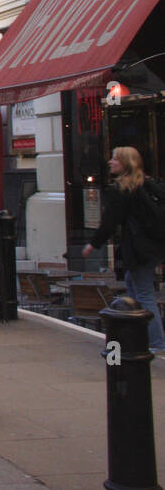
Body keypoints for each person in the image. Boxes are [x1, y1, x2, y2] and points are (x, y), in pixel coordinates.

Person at [83, 146, 165, 352]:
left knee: (144, 293)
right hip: (153, 247)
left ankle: (156, 342)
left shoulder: (123, 188)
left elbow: (111, 221)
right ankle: (137, 332)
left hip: (140, 249)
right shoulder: (149, 184)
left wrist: (93, 243)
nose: (110, 162)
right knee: (132, 283)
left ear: (125, 164)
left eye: (115, 159)